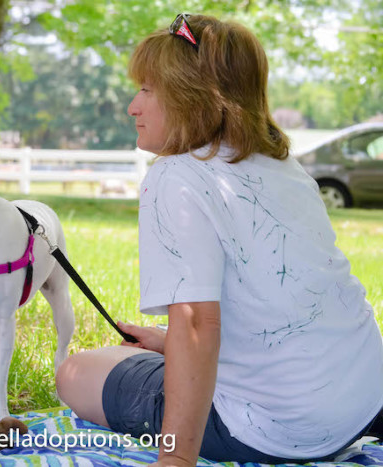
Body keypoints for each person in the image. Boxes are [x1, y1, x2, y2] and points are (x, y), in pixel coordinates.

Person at [54, 14, 383, 466]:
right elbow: (281, 304)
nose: (133, 106)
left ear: (194, 99)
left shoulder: (175, 176)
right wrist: (168, 340)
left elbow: (196, 325)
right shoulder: (287, 169)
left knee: (76, 372)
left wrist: (176, 458)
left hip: (276, 429)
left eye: (148, 90)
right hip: (364, 397)